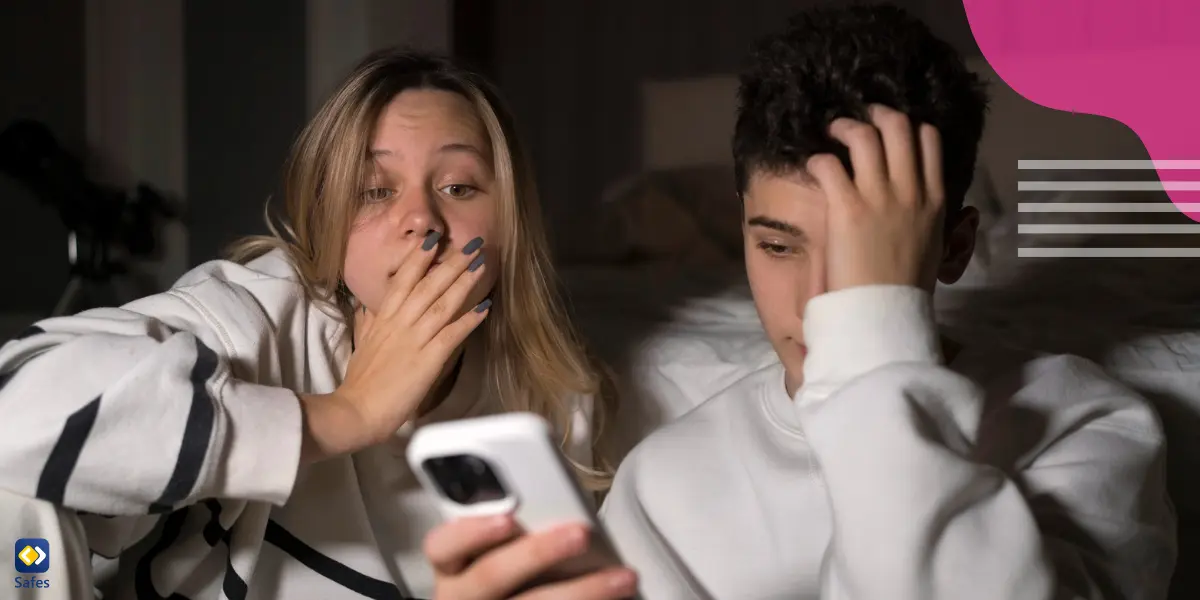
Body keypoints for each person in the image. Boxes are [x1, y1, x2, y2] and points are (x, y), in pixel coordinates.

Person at [422, 5, 1178, 599]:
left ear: (951, 247)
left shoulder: (1086, 427)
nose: (822, 304)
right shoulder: (663, 480)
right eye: (778, 246)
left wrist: (876, 335)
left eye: (861, 255)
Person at [0, 49, 640, 600]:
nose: (422, 220)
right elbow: (14, 413)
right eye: (375, 190)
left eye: (459, 187)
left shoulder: (553, 398)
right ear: (327, 224)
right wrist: (345, 414)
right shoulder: (254, 317)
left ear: (510, 226)